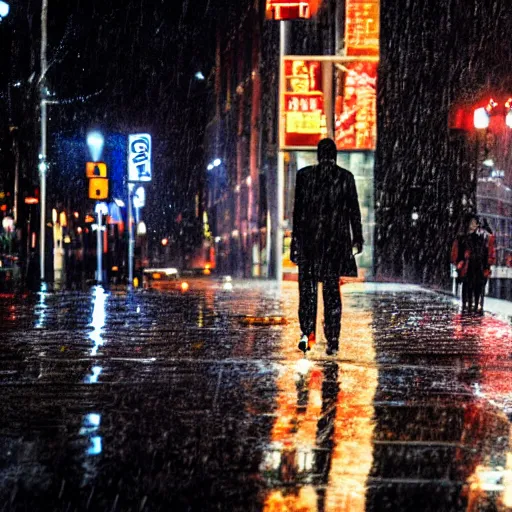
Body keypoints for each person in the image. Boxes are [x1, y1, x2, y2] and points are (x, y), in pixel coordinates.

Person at [290, 138, 364, 355]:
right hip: (334, 245)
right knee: (332, 293)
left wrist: (295, 242)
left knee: (307, 293)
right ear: (335, 155)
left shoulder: (305, 176)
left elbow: (298, 213)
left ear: (318, 154)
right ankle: (332, 338)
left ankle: (307, 336)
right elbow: (354, 211)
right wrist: (357, 238)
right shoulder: (345, 178)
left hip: (309, 244)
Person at [451, 213, 489, 314]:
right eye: (471, 223)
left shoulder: (480, 239)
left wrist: (486, 267)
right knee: (467, 287)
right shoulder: (462, 238)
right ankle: (467, 307)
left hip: (477, 267)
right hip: (468, 268)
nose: (472, 225)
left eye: (474, 223)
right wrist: (461, 262)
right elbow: (458, 254)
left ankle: (475, 307)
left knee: (477, 289)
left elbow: (484, 253)